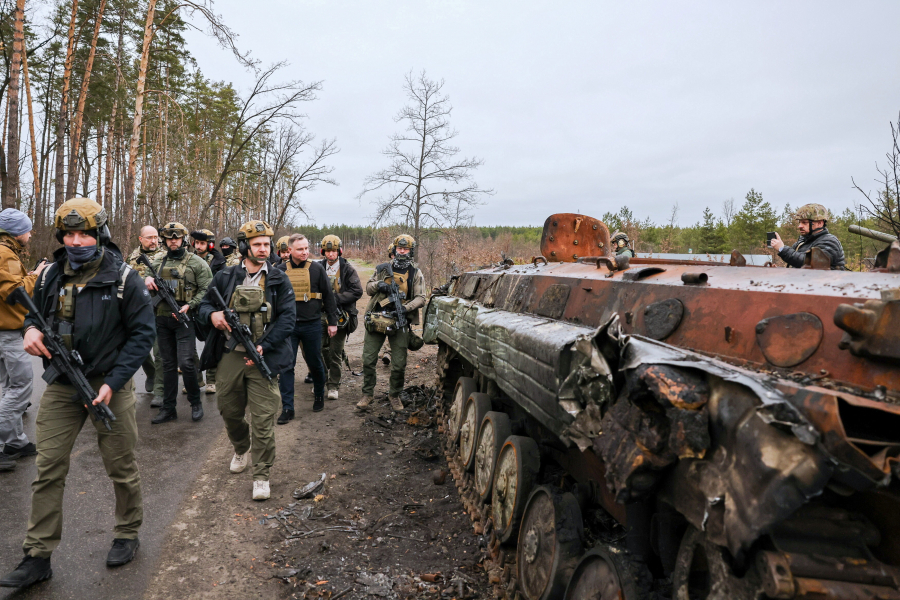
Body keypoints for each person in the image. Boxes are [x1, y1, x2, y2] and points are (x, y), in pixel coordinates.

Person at [0, 198, 154, 588]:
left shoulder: (124, 278)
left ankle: (127, 532)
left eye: (84, 233)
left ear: (99, 235)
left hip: (109, 386)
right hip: (62, 386)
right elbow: (35, 313)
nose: (76, 240)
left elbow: (142, 336)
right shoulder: (52, 274)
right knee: (48, 469)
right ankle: (37, 556)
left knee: (121, 467)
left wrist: (114, 382)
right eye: (69, 234)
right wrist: (30, 330)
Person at [198, 220, 295, 501]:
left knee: (264, 419)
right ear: (244, 247)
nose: (264, 249)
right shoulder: (226, 277)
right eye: (257, 245)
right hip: (230, 355)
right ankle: (241, 447)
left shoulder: (278, 278)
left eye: (267, 244)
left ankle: (262, 475)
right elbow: (205, 305)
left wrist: (264, 346)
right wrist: (212, 316)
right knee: (229, 411)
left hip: (264, 357)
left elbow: (288, 318)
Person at [144, 222, 212, 424]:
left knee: (187, 363)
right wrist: (146, 279)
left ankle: (195, 403)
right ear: (164, 240)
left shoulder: (197, 263)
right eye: (169, 237)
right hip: (162, 320)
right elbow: (145, 277)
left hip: (185, 319)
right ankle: (168, 408)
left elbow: (207, 289)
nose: (173, 241)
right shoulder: (157, 262)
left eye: (177, 237)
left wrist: (190, 305)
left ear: (183, 239)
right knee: (167, 365)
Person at [0, 209, 47, 473]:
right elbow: (14, 292)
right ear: (18, 232)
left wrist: (28, 273)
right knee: (20, 386)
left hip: (6, 329)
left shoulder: (6, 252)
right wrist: (37, 275)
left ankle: (15, 442)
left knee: (10, 386)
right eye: (28, 230)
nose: (30, 235)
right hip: (7, 331)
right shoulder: (4, 253)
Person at [358, 234, 426, 412]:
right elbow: (368, 288)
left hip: (399, 322)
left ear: (411, 251)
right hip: (377, 318)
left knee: (399, 364)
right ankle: (367, 394)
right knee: (368, 359)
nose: (402, 251)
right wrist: (380, 285)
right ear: (394, 249)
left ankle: (394, 395)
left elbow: (421, 297)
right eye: (399, 248)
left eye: (405, 249)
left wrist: (406, 308)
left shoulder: (415, 273)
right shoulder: (381, 269)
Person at [277, 234, 337, 420]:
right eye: (300, 249)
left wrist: (333, 322)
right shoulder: (280, 270)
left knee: (315, 362)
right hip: (288, 326)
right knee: (286, 366)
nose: (304, 252)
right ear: (290, 251)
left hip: (312, 324)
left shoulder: (317, 269)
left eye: (306, 248)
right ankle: (288, 408)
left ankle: (319, 394)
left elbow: (328, 296)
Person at [318, 235, 363, 401]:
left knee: (335, 352)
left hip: (340, 316)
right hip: (320, 316)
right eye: (328, 251)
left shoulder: (347, 269)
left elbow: (357, 291)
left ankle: (333, 385)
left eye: (334, 251)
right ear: (323, 251)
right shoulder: (318, 267)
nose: (331, 254)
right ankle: (322, 381)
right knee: (321, 351)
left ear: (339, 251)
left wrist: (336, 299)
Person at [126, 225, 164, 406]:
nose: (154, 241)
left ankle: (159, 390)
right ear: (140, 239)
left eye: (156, 237)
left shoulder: (165, 256)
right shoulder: (132, 258)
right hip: (137, 308)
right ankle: (151, 372)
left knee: (160, 350)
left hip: (160, 307)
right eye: (149, 237)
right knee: (137, 347)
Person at [190, 229, 226, 393]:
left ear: (210, 244)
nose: (198, 246)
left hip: (211, 306)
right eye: (196, 243)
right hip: (191, 306)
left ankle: (212, 380)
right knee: (189, 346)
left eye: (202, 243)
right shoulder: (188, 259)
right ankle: (196, 379)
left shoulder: (219, 262)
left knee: (211, 343)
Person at [770, 203, 846, 269]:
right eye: (799, 222)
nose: (799, 226)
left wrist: (782, 249)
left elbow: (811, 264)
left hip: (827, 284)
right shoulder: (803, 241)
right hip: (808, 283)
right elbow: (796, 265)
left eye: (804, 223)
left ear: (819, 223)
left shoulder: (829, 241)